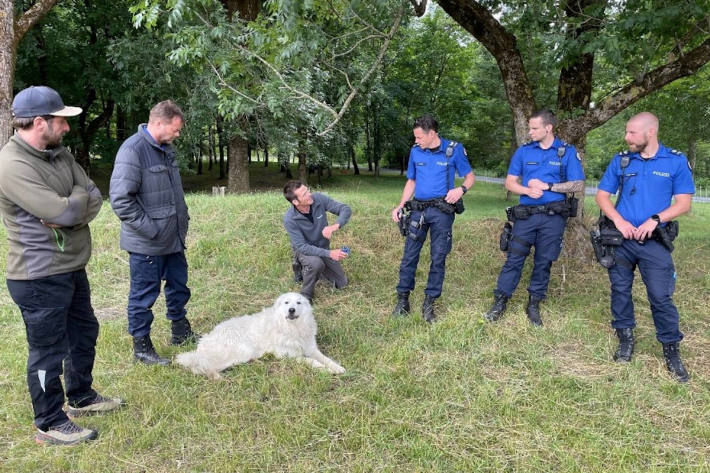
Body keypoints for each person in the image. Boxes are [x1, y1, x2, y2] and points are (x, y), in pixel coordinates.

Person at [0, 86, 122, 445]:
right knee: (48, 351)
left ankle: (81, 395)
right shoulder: (12, 165)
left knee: (84, 333)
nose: (67, 128)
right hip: (38, 275)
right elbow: (61, 211)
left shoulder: (58, 153)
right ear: (39, 122)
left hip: (71, 266)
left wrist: (74, 204)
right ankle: (50, 422)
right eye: (61, 121)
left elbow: (92, 196)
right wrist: (71, 207)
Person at [595, 112, 694, 383]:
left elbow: (683, 204)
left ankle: (671, 350)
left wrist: (656, 219)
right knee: (620, 291)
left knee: (661, 297)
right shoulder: (622, 160)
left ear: (650, 133)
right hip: (621, 242)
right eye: (627, 132)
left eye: (632, 133)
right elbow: (602, 196)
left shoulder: (674, 161)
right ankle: (625, 340)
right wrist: (619, 220)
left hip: (654, 243)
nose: (627, 138)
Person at [110, 100, 194, 366]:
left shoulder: (165, 149)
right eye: (176, 129)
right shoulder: (132, 151)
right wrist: (152, 230)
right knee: (143, 295)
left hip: (173, 239)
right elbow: (121, 200)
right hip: (148, 242)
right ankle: (142, 348)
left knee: (179, 286)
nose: (178, 135)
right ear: (159, 123)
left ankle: (180, 332)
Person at [484, 109, 585, 326]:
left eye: (534, 128)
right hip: (526, 216)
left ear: (548, 128)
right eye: (530, 128)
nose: (530, 132)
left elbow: (578, 184)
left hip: (553, 218)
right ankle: (500, 301)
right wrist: (527, 191)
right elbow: (510, 183)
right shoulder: (524, 152)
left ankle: (534, 304)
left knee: (544, 261)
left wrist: (549, 186)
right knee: (514, 258)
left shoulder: (566, 152)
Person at [391, 115, 474, 323]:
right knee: (409, 255)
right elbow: (412, 181)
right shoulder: (415, 151)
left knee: (438, 257)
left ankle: (430, 303)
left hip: (442, 211)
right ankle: (403, 300)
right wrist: (401, 205)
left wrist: (461, 190)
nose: (416, 140)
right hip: (418, 210)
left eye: (420, 137)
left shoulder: (453, 150)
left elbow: (470, 177)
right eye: (415, 137)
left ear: (432, 133)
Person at [283, 180, 351, 303]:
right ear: (295, 202)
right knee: (316, 264)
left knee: (342, 283)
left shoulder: (318, 199)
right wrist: (330, 254)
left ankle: (314, 270)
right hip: (305, 251)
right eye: (304, 194)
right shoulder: (289, 219)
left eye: (307, 190)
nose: (309, 194)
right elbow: (302, 247)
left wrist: (335, 226)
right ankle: (305, 295)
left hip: (322, 248)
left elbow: (345, 209)